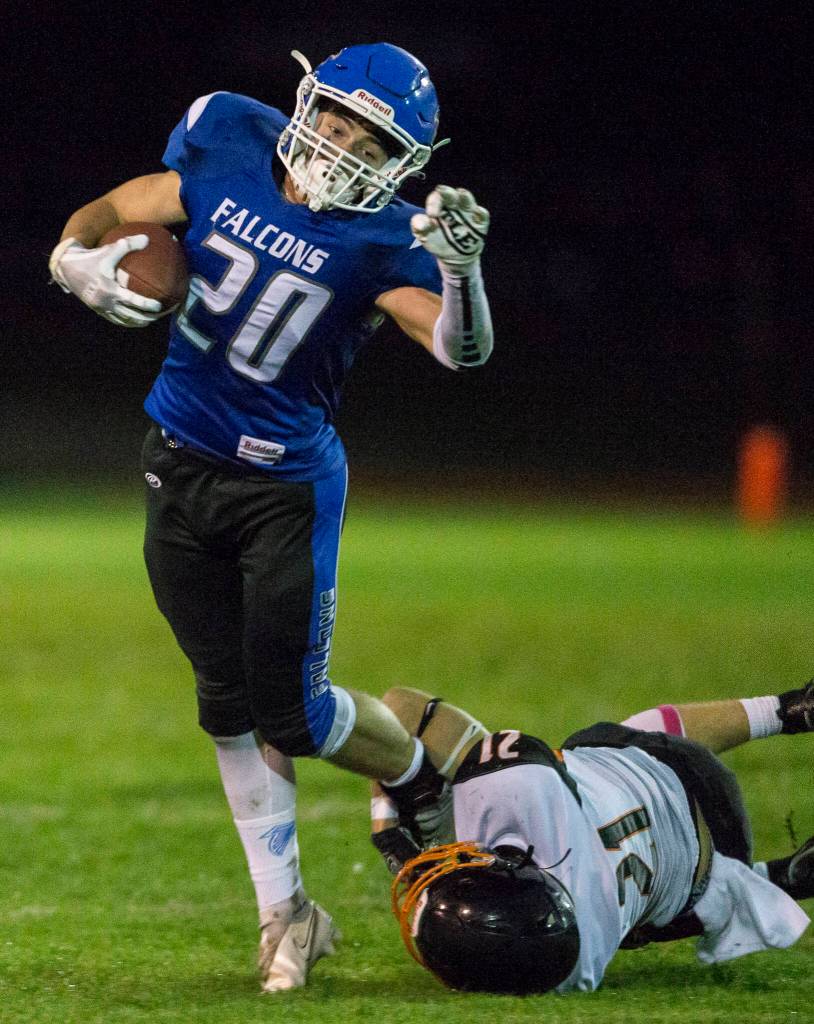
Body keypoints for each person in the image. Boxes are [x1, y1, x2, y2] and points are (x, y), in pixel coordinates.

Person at [48, 43, 491, 992]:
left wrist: (464, 275)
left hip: (283, 488)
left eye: (372, 142)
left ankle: (415, 771)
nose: (342, 148)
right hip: (176, 460)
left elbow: (459, 349)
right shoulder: (229, 137)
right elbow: (124, 205)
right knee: (224, 701)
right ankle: (286, 915)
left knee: (291, 710)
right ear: (306, 102)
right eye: (336, 121)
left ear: (403, 161)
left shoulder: (386, 238)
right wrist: (69, 255)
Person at [370, 680, 814, 994]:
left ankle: (782, 878)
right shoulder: (521, 790)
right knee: (606, 745)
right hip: (687, 777)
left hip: (702, 877)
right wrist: (388, 829)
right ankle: (789, 710)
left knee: (637, 924)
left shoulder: (576, 969)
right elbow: (397, 708)